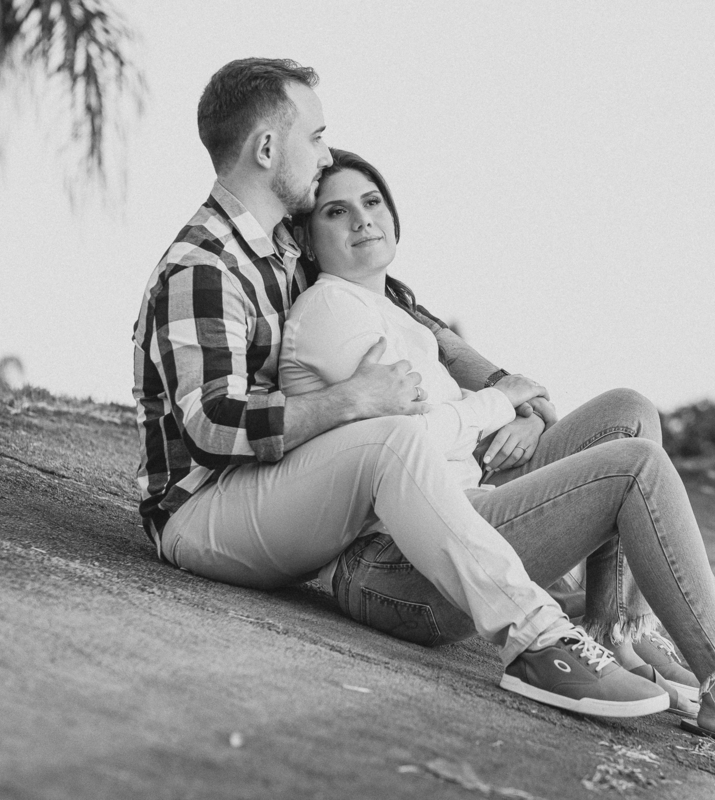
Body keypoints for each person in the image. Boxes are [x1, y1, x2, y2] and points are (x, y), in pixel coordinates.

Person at [132, 57, 669, 722]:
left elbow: (414, 317)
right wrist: (353, 400)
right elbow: (211, 427)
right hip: (203, 509)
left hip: (272, 487)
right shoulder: (205, 264)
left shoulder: (283, 252)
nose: (325, 153)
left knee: (598, 420)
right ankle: (539, 643)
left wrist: (506, 389)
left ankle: (612, 628)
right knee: (390, 437)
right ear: (267, 149)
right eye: (316, 136)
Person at [277, 148, 715, 774]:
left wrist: (518, 416)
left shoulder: (396, 315)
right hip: (395, 564)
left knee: (627, 412)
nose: (362, 219)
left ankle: (612, 633)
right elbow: (397, 453)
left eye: (372, 201)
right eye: (336, 212)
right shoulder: (331, 310)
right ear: (307, 238)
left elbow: (455, 426)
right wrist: (498, 403)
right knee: (634, 467)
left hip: (462, 510)